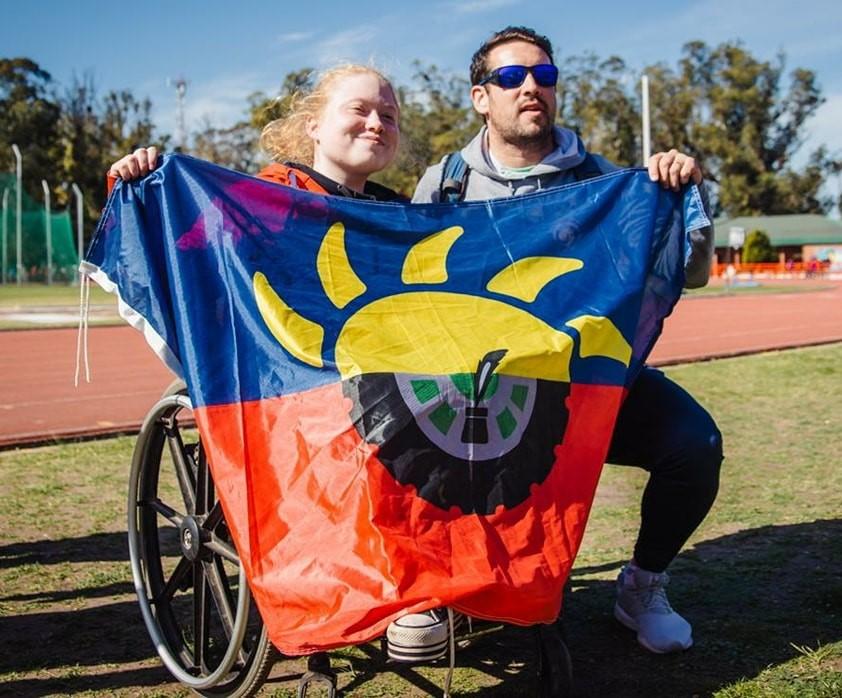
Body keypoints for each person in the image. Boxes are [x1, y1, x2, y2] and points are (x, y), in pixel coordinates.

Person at [405, 26, 724, 656]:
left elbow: (692, 272)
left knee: (695, 445)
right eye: (511, 77)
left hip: (591, 387)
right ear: (480, 97)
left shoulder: (609, 184)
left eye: (544, 77)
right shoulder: (442, 186)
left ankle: (642, 587)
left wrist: (685, 192)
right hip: (479, 395)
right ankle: (441, 593)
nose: (531, 87)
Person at [107, 64, 404, 202]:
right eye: (358, 109)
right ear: (313, 125)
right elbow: (184, 246)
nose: (376, 124)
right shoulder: (268, 195)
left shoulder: (403, 217)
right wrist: (136, 190)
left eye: (389, 116)